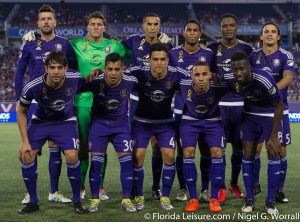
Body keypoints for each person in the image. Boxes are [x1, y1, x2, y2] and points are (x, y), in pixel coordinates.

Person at [16, 4, 75, 204]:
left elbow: (73, 70)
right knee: (29, 149)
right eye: (43, 19)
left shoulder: (65, 44)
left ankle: (53, 191)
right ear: (38, 23)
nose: (46, 22)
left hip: (58, 101)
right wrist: (18, 97)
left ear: (55, 22)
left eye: (50, 18)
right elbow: (19, 72)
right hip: (34, 100)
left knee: (55, 146)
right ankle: (30, 192)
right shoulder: (29, 43)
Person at [17, 51, 88, 214]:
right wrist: (25, 141)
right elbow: (20, 111)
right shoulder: (33, 86)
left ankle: (77, 201)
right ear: (46, 68)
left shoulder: (76, 78)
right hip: (40, 122)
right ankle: (33, 202)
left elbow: (88, 86)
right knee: (26, 155)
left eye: (60, 67)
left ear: (66, 68)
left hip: (65, 122)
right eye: (52, 67)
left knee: (72, 156)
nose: (56, 71)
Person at [71, 11, 127, 200]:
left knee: (100, 147)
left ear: (104, 27)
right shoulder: (76, 44)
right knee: (83, 147)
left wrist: (162, 40)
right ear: (87, 26)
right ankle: (81, 186)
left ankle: (100, 187)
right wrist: (34, 36)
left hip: (106, 103)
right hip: (82, 103)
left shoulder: (114, 46)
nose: (96, 26)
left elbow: (137, 50)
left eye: (99, 24)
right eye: (92, 23)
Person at [130, 43, 188, 210]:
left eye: (163, 59)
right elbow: (120, 77)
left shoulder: (176, 74)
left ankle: (165, 197)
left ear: (168, 60)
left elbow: (194, 80)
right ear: (149, 61)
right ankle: (139, 196)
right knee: (138, 155)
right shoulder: (139, 73)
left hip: (165, 123)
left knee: (169, 156)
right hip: (142, 122)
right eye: (155, 59)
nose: (159, 63)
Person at [122, 12, 173, 199]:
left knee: (157, 145)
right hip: (137, 100)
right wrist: (35, 36)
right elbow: (110, 46)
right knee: (136, 146)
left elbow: (172, 69)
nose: (152, 27)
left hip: (158, 101)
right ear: (143, 26)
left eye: (156, 24)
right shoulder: (133, 41)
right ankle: (135, 187)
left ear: (159, 26)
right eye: (149, 24)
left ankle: (155, 186)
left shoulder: (167, 44)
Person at [79, 53, 137, 213]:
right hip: (99, 126)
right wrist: (85, 77)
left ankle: (126, 199)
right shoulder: (96, 81)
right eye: (109, 69)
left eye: (117, 69)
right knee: (96, 163)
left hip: (121, 127)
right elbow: (76, 88)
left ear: (122, 69)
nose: (113, 73)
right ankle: (95, 200)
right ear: (104, 69)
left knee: (126, 162)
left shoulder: (131, 81)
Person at [228, 51, 283, 215]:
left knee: (273, 152)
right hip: (249, 116)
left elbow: (279, 106)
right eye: (235, 69)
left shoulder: (264, 79)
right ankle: (250, 199)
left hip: (268, 115)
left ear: (249, 67)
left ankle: (270, 201)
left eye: (242, 69)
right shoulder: (233, 82)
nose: (239, 73)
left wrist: (273, 137)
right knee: (248, 155)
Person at [207, 13, 253, 202]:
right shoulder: (212, 49)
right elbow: (206, 72)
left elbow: (252, 74)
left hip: (240, 106)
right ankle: (221, 187)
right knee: (219, 149)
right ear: (220, 28)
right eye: (224, 25)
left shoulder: (246, 49)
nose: (228, 28)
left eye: (231, 25)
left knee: (239, 149)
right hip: (220, 107)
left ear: (236, 27)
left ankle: (234, 183)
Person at [169, 19, 214, 202]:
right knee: (183, 150)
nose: (193, 33)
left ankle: (204, 189)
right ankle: (182, 188)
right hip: (180, 109)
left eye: (196, 30)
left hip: (204, 110)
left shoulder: (209, 54)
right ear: (184, 33)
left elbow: (215, 78)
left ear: (200, 33)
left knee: (205, 149)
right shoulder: (172, 53)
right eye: (189, 30)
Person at [249, 22, 294, 202]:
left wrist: (269, 90)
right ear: (261, 36)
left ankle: (279, 190)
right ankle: (255, 185)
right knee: (255, 150)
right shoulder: (252, 56)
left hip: (278, 110)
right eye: (266, 31)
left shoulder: (286, 55)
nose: (269, 34)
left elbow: (288, 77)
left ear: (277, 37)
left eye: (273, 32)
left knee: (280, 150)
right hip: (257, 111)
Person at [179, 61, 228, 213]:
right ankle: (193, 199)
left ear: (210, 75)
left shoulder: (220, 86)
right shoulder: (182, 83)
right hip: (190, 121)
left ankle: (214, 198)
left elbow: (240, 84)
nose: (201, 78)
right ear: (191, 77)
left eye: (204, 74)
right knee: (188, 153)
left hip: (213, 121)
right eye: (197, 75)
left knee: (217, 153)